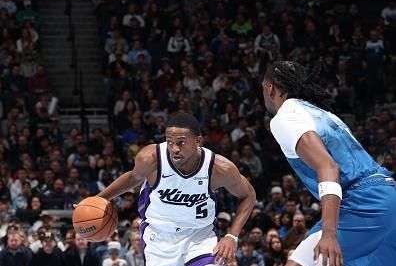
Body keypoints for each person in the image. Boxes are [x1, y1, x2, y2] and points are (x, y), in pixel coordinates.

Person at [261, 60, 396, 266]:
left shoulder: (285, 116)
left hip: (364, 203)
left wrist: (330, 234)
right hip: (383, 196)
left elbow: (328, 166)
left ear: (271, 88)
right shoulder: (322, 113)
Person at [93, 112, 256, 265]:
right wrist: (98, 199)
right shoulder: (151, 159)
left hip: (200, 235)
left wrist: (232, 236)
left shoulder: (219, 168)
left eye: (181, 143)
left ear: (197, 141)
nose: (174, 148)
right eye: (169, 142)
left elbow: (248, 195)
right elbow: (132, 178)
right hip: (159, 236)